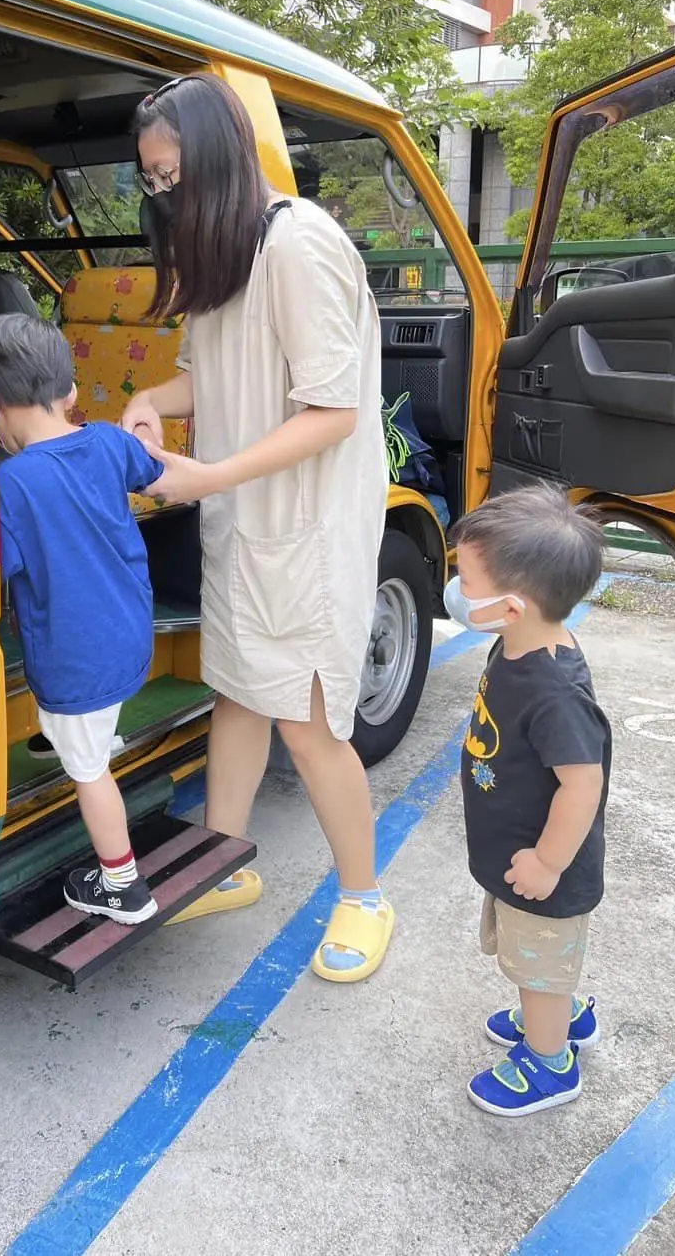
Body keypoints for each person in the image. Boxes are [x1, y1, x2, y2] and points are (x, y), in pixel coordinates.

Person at [122, 73, 393, 983]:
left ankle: (363, 896)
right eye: (151, 182)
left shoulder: (297, 242)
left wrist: (209, 474)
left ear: (219, 156)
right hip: (241, 519)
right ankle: (220, 859)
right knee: (236, 694)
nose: (165, 195)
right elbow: (212, 377)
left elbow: (331, 410)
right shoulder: (220, 254)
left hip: (304, 528)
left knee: (310, 724)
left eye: (172, 175)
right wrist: (149, 398)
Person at [0, 312, 164, 924]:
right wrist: (139, 427)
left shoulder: (12, 484)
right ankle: (91, 734)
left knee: (89, 774)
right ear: (71, 393)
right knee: (87, 734)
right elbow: (150, 467)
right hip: (130, 637)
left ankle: (123, 885)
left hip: (76, 661)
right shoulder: (110, 442)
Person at [444, 484, 610, 1116]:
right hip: (516, 842)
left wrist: (547, 861)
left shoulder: (555, 693)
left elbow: (582, 783)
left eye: (465, 578)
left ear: (512, 607)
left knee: (537, 962)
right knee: (536, 956)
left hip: (545, 864)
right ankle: (560, 1012)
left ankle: (550, 1063)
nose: (456, 589)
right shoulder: (518, 642)